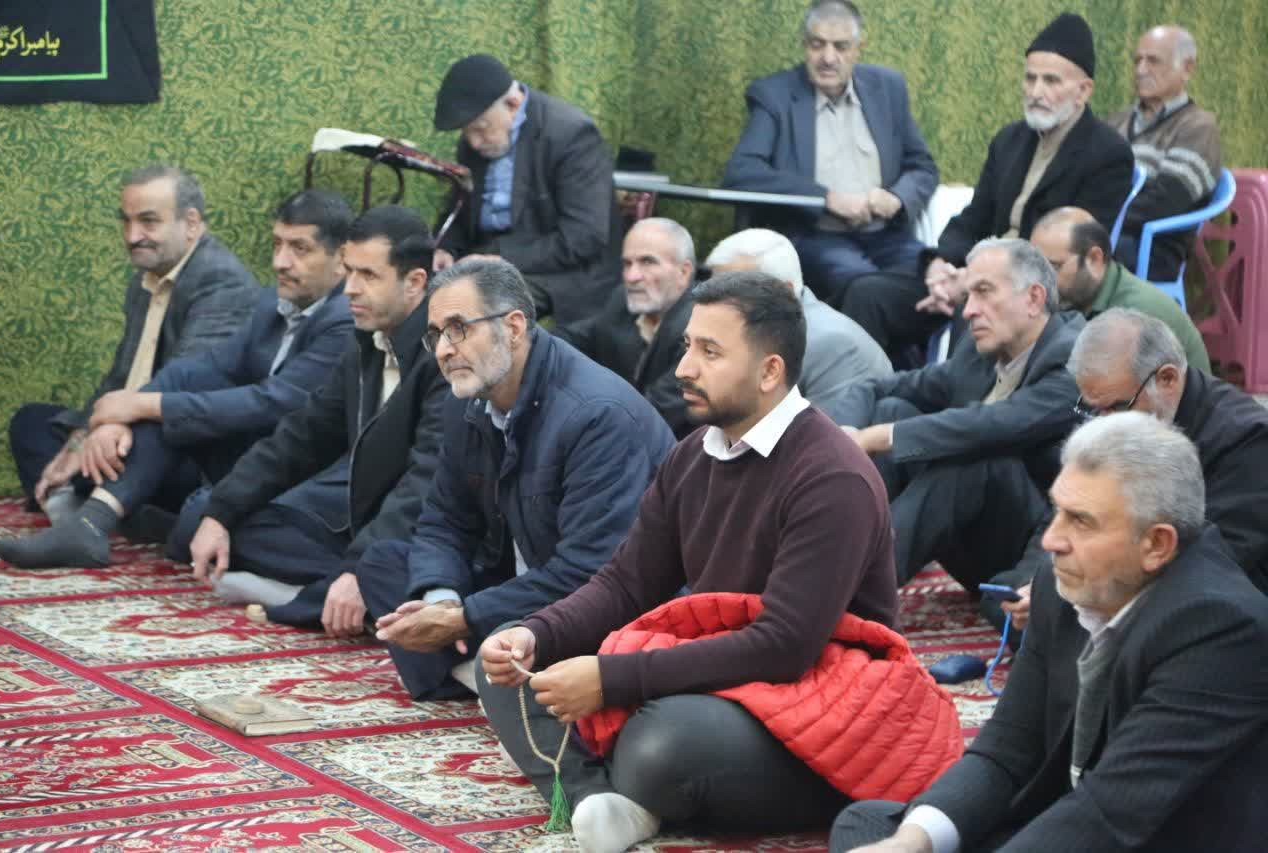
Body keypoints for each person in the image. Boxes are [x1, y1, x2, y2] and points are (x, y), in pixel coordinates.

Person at [477, 271, 902, 853]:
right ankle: (597, 798)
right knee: (506, 660)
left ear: (770, 371)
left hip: (823, 703)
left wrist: (611, 679)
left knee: (663, 743)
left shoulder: (832, 476)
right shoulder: (694, 456)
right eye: (686, 347)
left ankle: (625, 786)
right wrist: (537, 633)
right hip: (726, 683)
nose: (684, 369)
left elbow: (785, 647)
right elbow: (626, 585)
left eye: (710, 352)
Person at [830, 412, 1268, 853]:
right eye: (1057, 511)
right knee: (875, 827)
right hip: (1073, 819)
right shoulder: (1066, 584)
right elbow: (1005, 751)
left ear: (1157, 544)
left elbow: (1111, 812)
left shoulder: (1221, 628)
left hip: (1148, 836)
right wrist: (912, 843)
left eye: (1081, 521)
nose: (1051, 540)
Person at [358, 258, 674, 700]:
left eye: (458, 329)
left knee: (583, 629)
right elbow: (444, 519)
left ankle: (497, 681)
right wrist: (442, 599)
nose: (444, 349)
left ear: (513, 327)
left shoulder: (596, 414)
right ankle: (494, 682)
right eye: (436, 335)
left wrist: (465, 618)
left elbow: (591, 571)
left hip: (593, 602)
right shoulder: (467, 400)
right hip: (521, 584)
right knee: (382, 563)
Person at [0, 190, 355, 569]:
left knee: (186, 492)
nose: (280, 261)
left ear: (341, 257)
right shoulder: (272, 303)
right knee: (41, 423)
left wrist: (144, 406)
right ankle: (92, 521)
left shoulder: (344, 319)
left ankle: (118, 515)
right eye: (277, 244)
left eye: (300, 249)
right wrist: (123, 414)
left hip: (282, 472)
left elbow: (272, 402)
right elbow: (204, 368)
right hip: (227, 455)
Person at [186, 205, 448, 634]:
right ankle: (338, 592)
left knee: (392, 573)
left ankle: (318, 597)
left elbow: (425, 484)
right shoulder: (366, 341)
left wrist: (359, 568)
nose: (350, 289)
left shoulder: (444, 354)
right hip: (362, 530)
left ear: (415, 282)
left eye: (369, 275)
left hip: (422, 538)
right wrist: (222, 510)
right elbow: (302, 436)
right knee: (207, 520)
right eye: (349, 271)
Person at [842, 13, 1133, 357]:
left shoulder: (1108, 154)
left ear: (1083, 90)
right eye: (1030, 78)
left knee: (977, 313)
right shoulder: (1010, 139)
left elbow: (1070, 256)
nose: (1036, 92)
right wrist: (940, 266)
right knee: (867, 295)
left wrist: (977, 281)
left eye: (1051, 81)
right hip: (976, 274)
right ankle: (877, 389)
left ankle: (952, 392)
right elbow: (974, 219)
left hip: (1035, 290)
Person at [985, 309, 1268, 641]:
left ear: (1167, 379)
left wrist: (1071, 594)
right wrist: (1034, 584)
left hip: (1205, 599)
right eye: (1093, 409)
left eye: (1116, 407)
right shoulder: (1120, 416)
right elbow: (1068, 510)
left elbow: (1217, 561)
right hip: (1122, 571)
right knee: (1008, 598)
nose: (1105, 421)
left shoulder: (1246, 438)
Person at [9, 165, 259, 527]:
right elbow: (121, 376)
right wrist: (81, 438)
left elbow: (186, 381)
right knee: (31, 423)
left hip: (181, 441)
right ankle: (105, 510)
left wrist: (115, 424)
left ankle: (93, 508)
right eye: (125, 221)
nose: (132, 236)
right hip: (130, 425)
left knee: (137, 444)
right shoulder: (146, 277)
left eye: (148, 221)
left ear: (190, 223)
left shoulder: (222, 281)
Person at [833, 238, 1081, 588]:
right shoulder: (979, 350)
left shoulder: (1073, 358)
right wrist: (844, 433)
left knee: (973, 459)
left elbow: (993, 426)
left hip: (1036, 556)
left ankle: (851, 585)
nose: (968, 311)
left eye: (984, 292)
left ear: (1034, 298)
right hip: (969, 536)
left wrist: (878, 437)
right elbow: (879, 387)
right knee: (892, 409)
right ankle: (832, 549)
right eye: (968, 296)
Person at [722, 0, 937, 307]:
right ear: (804, 45)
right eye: (817, 44)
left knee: (937, 278)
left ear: (859, 49)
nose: (828, 58)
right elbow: (741, 172)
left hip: (886, 236)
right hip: (815, 237)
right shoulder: (775, 95)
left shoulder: (888, 89)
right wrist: (826, 198)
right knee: (863, 285)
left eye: (841, 46)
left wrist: (897, 198)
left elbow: (922, 167)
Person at [431, 53, 620, 325]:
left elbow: (583, 237)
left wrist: (499, 257)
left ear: (513, 104)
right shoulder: (477, 141)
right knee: (411, 288)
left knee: (475, 309)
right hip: (488, 259)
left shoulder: (571, 135)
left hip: (559, 271)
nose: (473, 142)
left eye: (481, 129)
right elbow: (461, 208)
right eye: (467, 133)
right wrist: (446, 249)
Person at [704, 228, 892, 423]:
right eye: (714, 291)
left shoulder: (831, 343)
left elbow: (828, 436)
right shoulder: (746, 329)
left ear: (784, 292)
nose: (717, 304)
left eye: (735, 293)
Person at [554, 218, 697, 436]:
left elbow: (656, 412)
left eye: (647, 262)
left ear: (683, 272)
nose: (632, 277)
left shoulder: (699, 327)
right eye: (627, 264)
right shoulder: (623, 302)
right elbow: (573, 338)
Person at [1106, 26, 1222, 280]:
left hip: (1152, 246)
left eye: (1153, 61)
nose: (1141, 70)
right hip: (1109, 233)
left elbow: (1166, 202)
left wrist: (1098, 212)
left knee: (1068, 256)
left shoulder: (1198, 127)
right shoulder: (1117, 122)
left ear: (1187, 68)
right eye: (1137, 60)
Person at [1030, 207, 1209, 370]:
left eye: (1053, 267)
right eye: (1036, 266)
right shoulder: (1078, 294)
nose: (1040, 279)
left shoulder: (1136, 316)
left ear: (1094, 259)